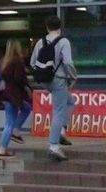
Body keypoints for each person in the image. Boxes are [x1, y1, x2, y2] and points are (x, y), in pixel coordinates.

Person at [31, 14, 74, 160]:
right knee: (59, 110)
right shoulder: (64, 42)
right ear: (60, 27)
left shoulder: (40, 42)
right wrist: (73, 77)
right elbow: (68, 63)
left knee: (70, 101)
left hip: (46, 80)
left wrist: (43, 74)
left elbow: (33, 62)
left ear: (46, 27)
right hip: (59, 79)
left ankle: (61, 130)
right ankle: (54, 145)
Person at [0, 40, 33, 158]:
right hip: (14, 94)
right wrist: (27, 87)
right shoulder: (17, 61)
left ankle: (15, 131)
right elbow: (19, 78)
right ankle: (3, 149)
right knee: (9, 123)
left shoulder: (3, 61)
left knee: (26, 109)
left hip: (5, 93)